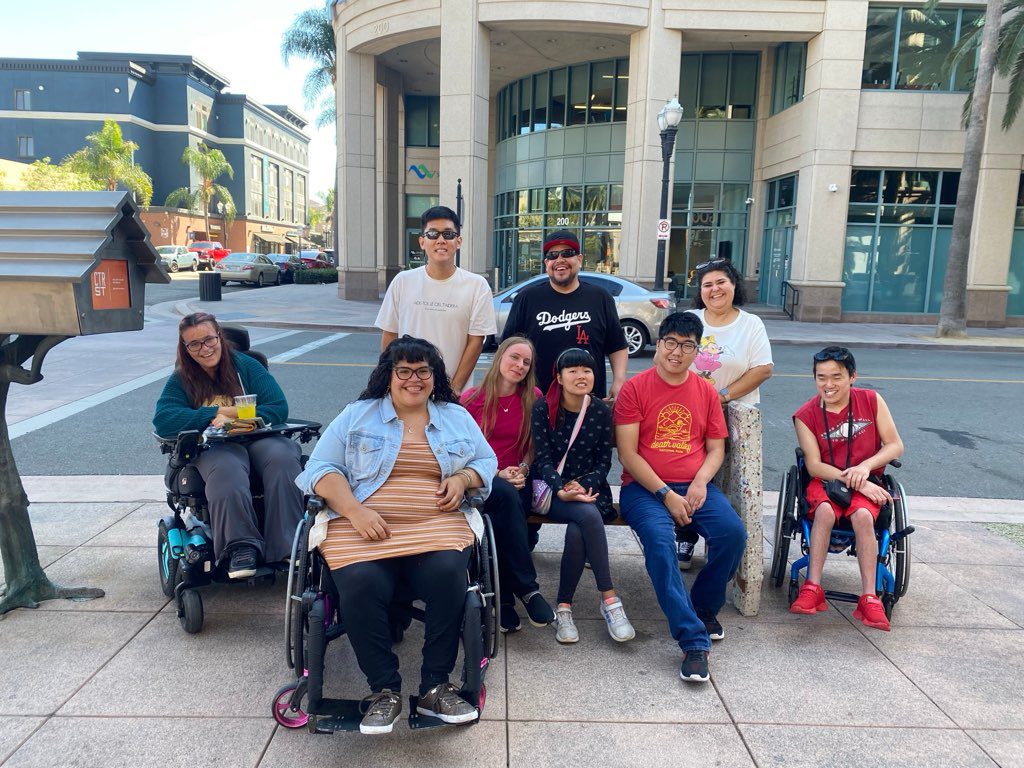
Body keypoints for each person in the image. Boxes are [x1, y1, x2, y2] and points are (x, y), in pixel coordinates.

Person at [295, 336, 498, 735]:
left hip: (435, 526)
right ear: (388, 376)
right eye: (403, 370)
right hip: (362, 526)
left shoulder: (455, 416)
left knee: (447, 574)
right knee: (360, 579)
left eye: (423, 371)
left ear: (434, 376)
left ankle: (434, 686)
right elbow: (318, 469)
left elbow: (486, 459)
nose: (413, 379)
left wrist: (463, 477)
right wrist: (354, 510)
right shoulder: (358, 415)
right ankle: (383, 690)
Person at [615, 312, 747, 684]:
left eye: (687, 345)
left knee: (732, 533)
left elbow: (715, 449)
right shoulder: (636, 388)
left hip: (694, 484)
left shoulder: (705, 390)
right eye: (671, 342)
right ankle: (693, 640)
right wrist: (665, 494)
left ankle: (703, 607)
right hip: (644, 489)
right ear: (659, 344)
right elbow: (628, 454)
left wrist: (702, 483)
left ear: (696, 350)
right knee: (660, 544)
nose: (677, 351)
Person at [153, 312, 303, 580]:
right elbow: (164, 420)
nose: (204, 348)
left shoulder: (247, 366)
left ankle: (288, 544)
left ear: (219, 336)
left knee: (283, 456)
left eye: (209, 339)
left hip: (258, 438)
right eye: (194, 344)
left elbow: (278, 408)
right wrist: (212, 414)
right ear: (185, 349)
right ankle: (240, 548)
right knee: (227, 467)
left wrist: (232, 414)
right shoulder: (182, 379)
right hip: (215, 446)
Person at [789, 346, 904, 632]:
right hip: (826, 480)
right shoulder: (805, 415)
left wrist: (865, 469)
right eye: (821, 377)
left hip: (867, 481)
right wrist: (857, 481)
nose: (829, 385)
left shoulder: (872, 400)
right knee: (825, 512)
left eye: (836, 377)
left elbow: (895, 445)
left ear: (853, 376)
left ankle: (869, 597)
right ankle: (812, 586)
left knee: (864, 518)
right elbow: (813, 465)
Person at [531, 347, 635, 645]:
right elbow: (542, 459)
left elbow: (604, 462)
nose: (581, 376)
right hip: (553, 491)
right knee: (585, 517)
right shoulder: (543, 408)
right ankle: (610, 599)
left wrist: (582, 486)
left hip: (591, 491)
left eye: (587, 370)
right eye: (573, 371)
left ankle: (564, 608)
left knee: (581, 527)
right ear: (560, 378)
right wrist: (563, 488)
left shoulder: (601, 411)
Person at [675, 258, 774, 570]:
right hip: (690, 413)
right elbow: (672, 361)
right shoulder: (689, 320)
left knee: (725, 483)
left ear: (734, 286)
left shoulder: (750, 324)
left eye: (721, 282)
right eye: (707, 285)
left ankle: (723, 542)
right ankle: (685, 535)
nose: (714, 289)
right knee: (688, 470)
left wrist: (721, 396)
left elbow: (763, 369)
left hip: (733, 415)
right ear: (700, 291)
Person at [461, 337, 554, 633]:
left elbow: (533, 445)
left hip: (519, 479)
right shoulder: (472, 399)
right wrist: (498, 473)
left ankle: (503, 602)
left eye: (526, 362)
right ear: (500, 357)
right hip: (480, 481)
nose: (519, 366)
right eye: (514, 357)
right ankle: (526, 590)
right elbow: (464, 452)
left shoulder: (534, 397)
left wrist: (523, 468)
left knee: (509, 504)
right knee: (503, 499)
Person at [375, 205, 496, 395]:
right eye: (432, 234)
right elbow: (390, 335)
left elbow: (476, 341)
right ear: (422, 242)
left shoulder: (477, 286)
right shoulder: (402, 281)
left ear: (458, 241)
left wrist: (453, 389)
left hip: (452, 394)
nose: (440, 240)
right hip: (407, 389)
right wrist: (390, 380)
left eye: (448, 234)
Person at [501, 229, 628, 402]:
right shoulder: (527, 298)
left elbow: (617, 345)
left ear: (580, 259)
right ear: (546, 263)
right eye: (553, 255)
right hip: (535, 401)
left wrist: (619, 380)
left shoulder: (600, 298)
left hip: (587, 401)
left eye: (567, 253)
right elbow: (507, 348)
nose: (559, 260)